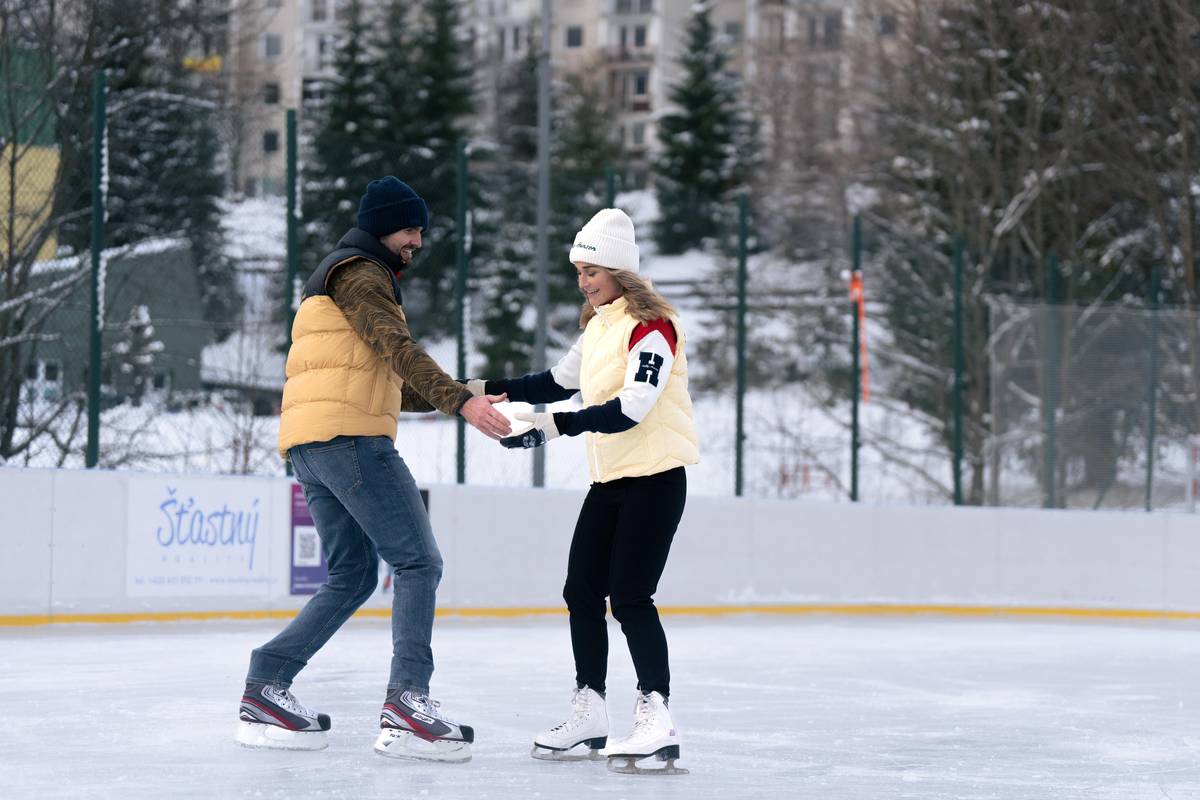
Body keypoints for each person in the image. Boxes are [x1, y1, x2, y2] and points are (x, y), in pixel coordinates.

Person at [234, 176, 512, 762]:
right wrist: (461, 401)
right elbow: (401, 352)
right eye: (411, 229)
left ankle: (267, 680)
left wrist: (467, 393)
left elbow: (387, 381)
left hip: (312, 444)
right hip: (351, 442)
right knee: (419, 561)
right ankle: (408, 703)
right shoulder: (361, 273)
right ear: (384, 224)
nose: (417, 241)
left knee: (353, 576)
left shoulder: (335, 276)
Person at [466, 208, 698, 775]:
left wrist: (556, 426)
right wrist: (482, 389)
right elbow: (555, 381)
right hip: (611, 481)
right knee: (581, 591)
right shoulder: (598, 326)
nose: (584, 281)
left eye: (592, 269)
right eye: (578, 271)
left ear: (621, 269)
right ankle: (591, 708)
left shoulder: (653, 328)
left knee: (631, 596)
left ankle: (656, 715)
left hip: (656, 478)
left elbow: (632, 408)